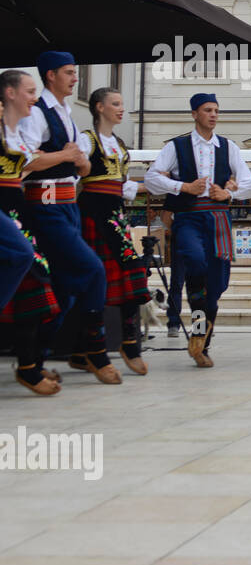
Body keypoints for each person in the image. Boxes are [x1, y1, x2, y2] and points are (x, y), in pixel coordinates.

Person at [17, 52, 120, 384]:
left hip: (67, 205)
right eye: (69, 73)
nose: (75, 79)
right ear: (51, 76)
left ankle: (33, 359)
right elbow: (26, 161)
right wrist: (67, 155)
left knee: (64, 289)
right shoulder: (38, 113)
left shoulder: (66, 113)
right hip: (44, 204)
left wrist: (80, 162)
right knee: (92, 270)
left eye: (76, 73)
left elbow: (83, 165)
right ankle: (94, 349)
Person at [143, 93, 251, 367]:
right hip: (189, 216)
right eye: (208, 110)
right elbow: (151, 178)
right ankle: (199, 338)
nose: (214, 115)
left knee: (217, 284)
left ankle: (201, 342)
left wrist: (229, 193)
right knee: (195, 264)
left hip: (218, 217)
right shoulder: (177, 146)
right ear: (195, 114)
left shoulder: (228, 147)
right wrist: (183, 187)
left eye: (217, 110)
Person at [75, 88, 151, 375]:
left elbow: (124, 185)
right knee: (102, 277)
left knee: (129, 272)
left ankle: (123, 342)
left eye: (122, 103)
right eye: (115, 104)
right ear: (99, 107)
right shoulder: (87, 139)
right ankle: (94, 347)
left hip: (115, 215)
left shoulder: (118, 144)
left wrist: (162, 186)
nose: (121, 109)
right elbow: (73, 177)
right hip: (93, 215)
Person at [0, 69, 62, 394]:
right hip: (3, 212)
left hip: (16, 211)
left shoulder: (20, 133)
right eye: (29, 91)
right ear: (9, 93)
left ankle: (29, 366)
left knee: (35, 281)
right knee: (26, 262)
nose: (34, 98)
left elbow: (23, 170)